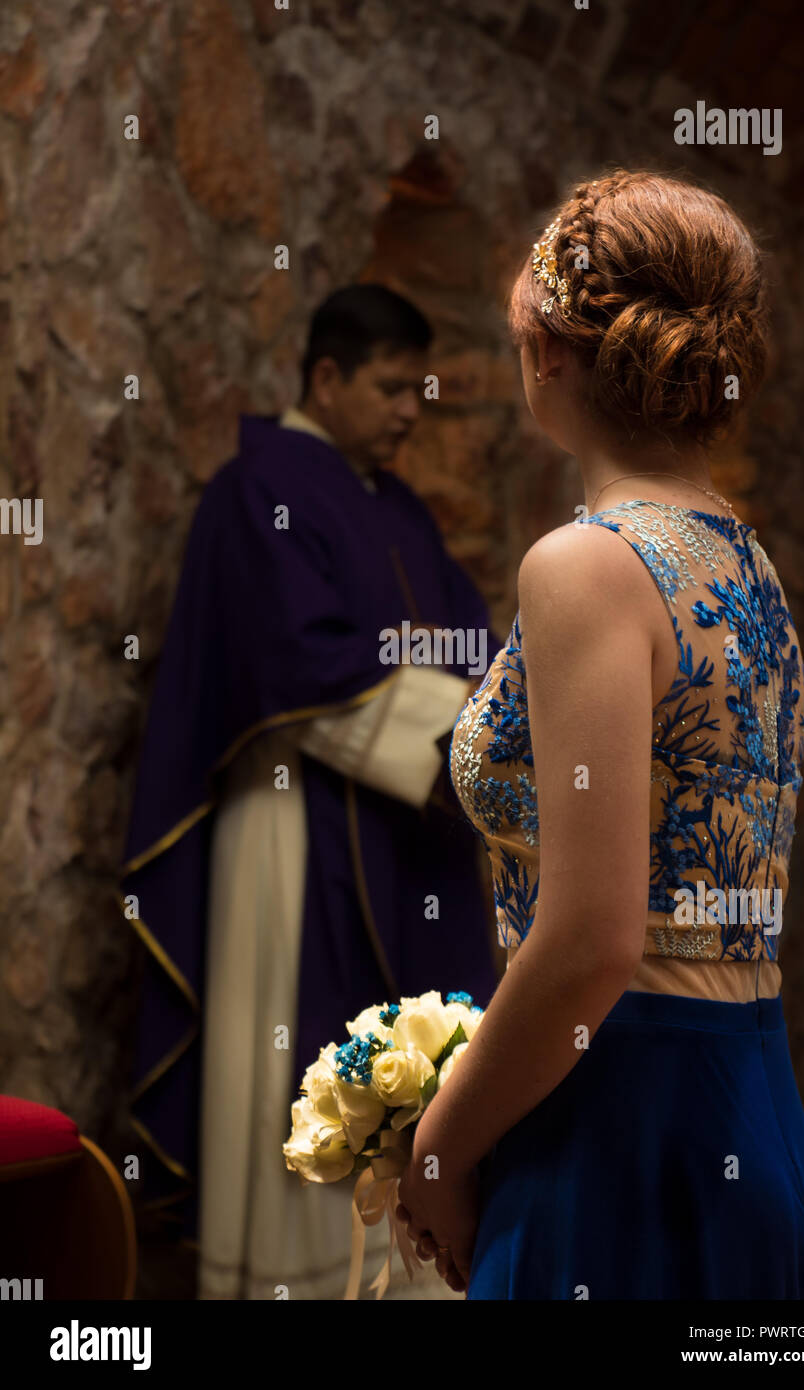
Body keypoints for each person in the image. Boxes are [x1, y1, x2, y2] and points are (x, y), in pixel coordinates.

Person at [396, 168, 804, 1299]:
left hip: (616, 1131)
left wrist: (438, 1140)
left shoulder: (585, 564)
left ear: (545, 350)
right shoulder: (750, 568)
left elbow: (592, 938)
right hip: (750, 1115)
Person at [119, 284, 498, 1299]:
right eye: (388, 386)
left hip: (402, 822)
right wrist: (476, 745)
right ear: (324, 378)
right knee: (295, 1052)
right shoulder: (260, 489)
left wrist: (498, 726)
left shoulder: (400, 508)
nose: (410, 410)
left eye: (418, 388)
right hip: (292, 827)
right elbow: (300, 664)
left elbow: (477, 653)